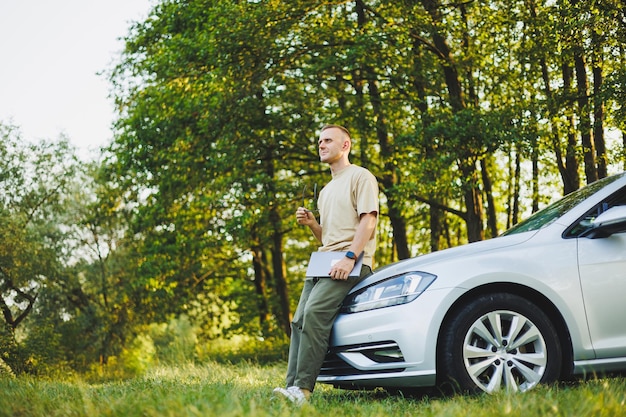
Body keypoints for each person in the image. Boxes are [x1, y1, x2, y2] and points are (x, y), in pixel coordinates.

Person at [273, 124, 379, 405]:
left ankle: (304, 390)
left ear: (346, 145)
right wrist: (312, 224)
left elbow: (368, 220)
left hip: (351, 262)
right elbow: (328, 237)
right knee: (299, 321)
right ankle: (291, 387)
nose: (321, 145)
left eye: (328, 140)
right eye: (319, 141)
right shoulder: (326, 190)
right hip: (324, 261)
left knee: (316, 313)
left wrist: (350, 258)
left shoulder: (361, 176)